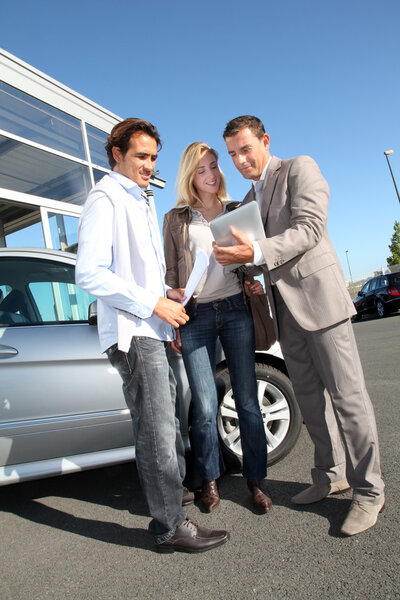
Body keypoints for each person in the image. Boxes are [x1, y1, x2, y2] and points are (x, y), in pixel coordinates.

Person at [213, 115, 385, 536]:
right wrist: (253, 275)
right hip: (283, 309)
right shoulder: (251, 196)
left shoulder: (298, 168)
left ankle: (369, 492)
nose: (238, 160)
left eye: (245, 149)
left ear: (265, 141)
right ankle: (331, 475)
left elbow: (309, 230)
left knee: (348, 399)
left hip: (321, 304)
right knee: (310, 401)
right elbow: (268, 255)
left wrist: (255, 250)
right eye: (232, 154)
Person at [75, 119, 229, 552]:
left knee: (164, 426)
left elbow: (137, 274)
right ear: (116, 155)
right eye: (141, 156)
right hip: (133, 333)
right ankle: (169, 526)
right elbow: (89, 272)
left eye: (153, 157)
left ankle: (170, 504)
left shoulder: (138, 199)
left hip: (151, 326)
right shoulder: (105, 197)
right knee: (158, 429)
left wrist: (168, 293)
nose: (148, 165)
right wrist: (151, 304)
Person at [163, 142, 271, 514]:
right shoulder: (176, 219)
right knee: (205, 406)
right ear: (189, 176)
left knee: (246, 400)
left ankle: (256, 479)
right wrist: (172, 308)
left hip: (236, 309)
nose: (211, 175)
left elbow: (255, 260)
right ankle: (209, 480)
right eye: (202, 170)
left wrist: (252, 278)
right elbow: (170, 275)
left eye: (214, 166)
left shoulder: (236, 210)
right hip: (196, 316)